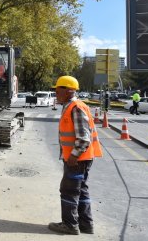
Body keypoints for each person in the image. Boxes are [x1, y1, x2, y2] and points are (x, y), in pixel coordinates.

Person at [48, 75, 103, 235]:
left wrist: (73, 156)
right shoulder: (69, 106)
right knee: (81, 190)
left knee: (68, 190)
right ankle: (86, 224)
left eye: (58, 89)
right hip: (81, 158)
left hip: (77, 159)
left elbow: (84, 137)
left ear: (69, 91)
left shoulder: (76, 107)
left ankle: (70, 225)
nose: (56, 93)